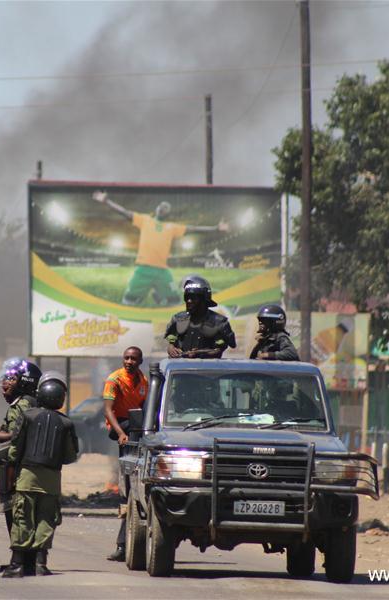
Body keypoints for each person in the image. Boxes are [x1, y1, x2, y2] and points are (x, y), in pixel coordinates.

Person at [93, 190, 229, 306]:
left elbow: (193, 229)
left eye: (166, 207)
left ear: (168, 213)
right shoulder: (145, 220)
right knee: (129, 300)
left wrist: (216, 228)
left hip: (162, 272)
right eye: (161, 206)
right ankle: (148, 295)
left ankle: (160, 296)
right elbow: (124, 212)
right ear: (157, 209)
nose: (163, 208)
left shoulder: (172, 227)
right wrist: (106, 201)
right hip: (143, 269)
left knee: (174, 300)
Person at [2, 371, 79, 578]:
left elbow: (15, 449)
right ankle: (40, 564)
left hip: (26, 477)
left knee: (22, 519)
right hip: (52, 481)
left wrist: (10, 470)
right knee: (46, 520)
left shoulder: (27, 416)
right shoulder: (67, 423)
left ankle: (17, 565)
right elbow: (70, 456)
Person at [0, 358, 41, 540]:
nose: (5, 383)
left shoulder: (22, 405)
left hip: (16, 470)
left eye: (12, 379)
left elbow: (12, 437)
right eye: (5, 378)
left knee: (16, 514)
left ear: (25, 383)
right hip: (21, 470)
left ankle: (20, 558)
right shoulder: (29, 402)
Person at [102, 346, 147, 562]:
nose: (129, 361)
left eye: (133, 358)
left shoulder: (144, 380)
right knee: (127, 488)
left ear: (140, 361)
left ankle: (128, 545)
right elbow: (108, 410)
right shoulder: (115, 379)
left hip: (135, 430)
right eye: (126, 358)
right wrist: (120, 434)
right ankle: (122, 545)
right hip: (120, 427)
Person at [165, 276, 236, 358]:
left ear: (205, 299)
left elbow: (222, 348)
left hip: (207, 369)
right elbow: (171, 344)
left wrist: (201, 353)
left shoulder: (219, 322)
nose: (189, 301)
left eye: (193, 298)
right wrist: (171, 349)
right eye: (187, 297)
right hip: (180, 368)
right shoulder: (178, 319)